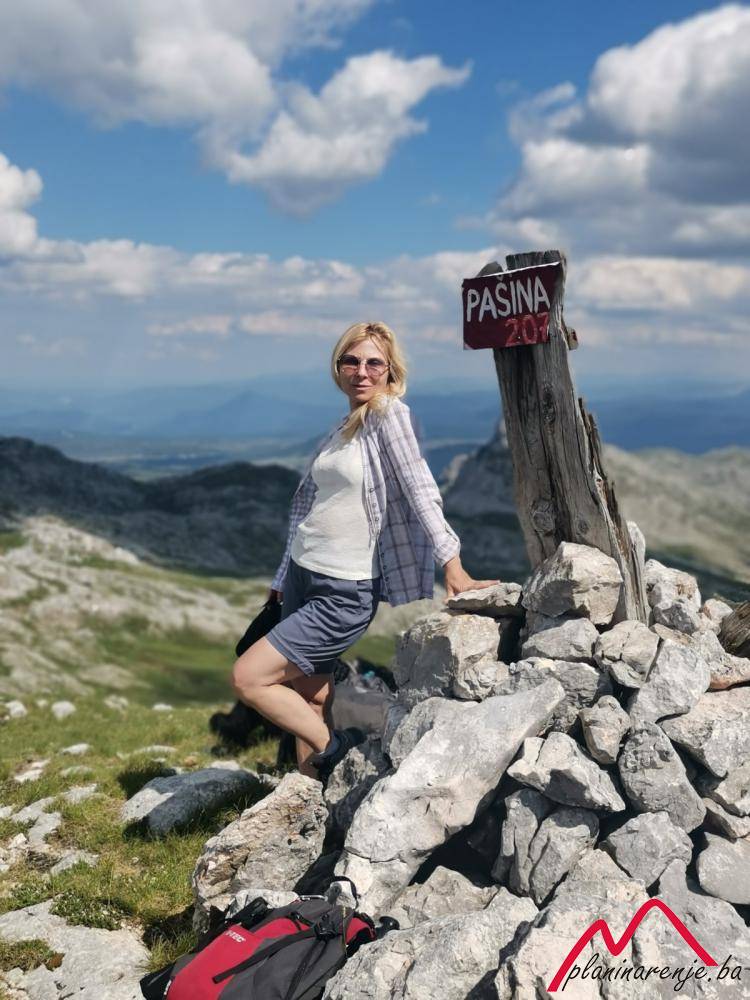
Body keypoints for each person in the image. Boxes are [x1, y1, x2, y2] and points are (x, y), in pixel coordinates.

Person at [231, 321, 498, 782]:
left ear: (391, 370)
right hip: (302, 576)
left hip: (343, 589)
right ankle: (310, 797)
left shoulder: (389, 415)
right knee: (311, 695)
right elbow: (311, 507)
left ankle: (333, 748)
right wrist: (281, 578)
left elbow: (420, 489)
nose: (362, 371)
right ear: (338, 367)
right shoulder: (347, 425)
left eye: (374, 363)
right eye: (351, 361)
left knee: (248, 678)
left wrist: (451, 563)